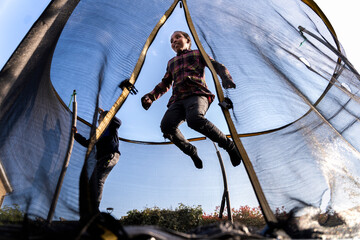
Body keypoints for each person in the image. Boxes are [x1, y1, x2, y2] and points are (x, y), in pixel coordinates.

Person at [141, 30, 241, 169]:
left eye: (177, 37)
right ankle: (191, 151)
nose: (174, 41)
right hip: (178, 100)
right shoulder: (171, 62)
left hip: (197, 94)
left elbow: (215, 65)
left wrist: (226, 77)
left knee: (194, 119)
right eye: (171, 40)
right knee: (166, 126)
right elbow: (165, 83)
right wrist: (151, 97)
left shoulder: (197, 53)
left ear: (188, 40)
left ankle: (229, 146)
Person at [73, 109, 121, 207]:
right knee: (92, 181)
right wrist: (76, 134)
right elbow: (87, 143)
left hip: (110, 155)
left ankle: (95, 207)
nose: (100, 120)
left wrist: (105, 113)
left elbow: (118, 122)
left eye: (101, 118)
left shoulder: (111, 126)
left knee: (99, 179)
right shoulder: (98, 133)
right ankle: (89, 208)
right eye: (99, 119)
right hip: (101, 158)